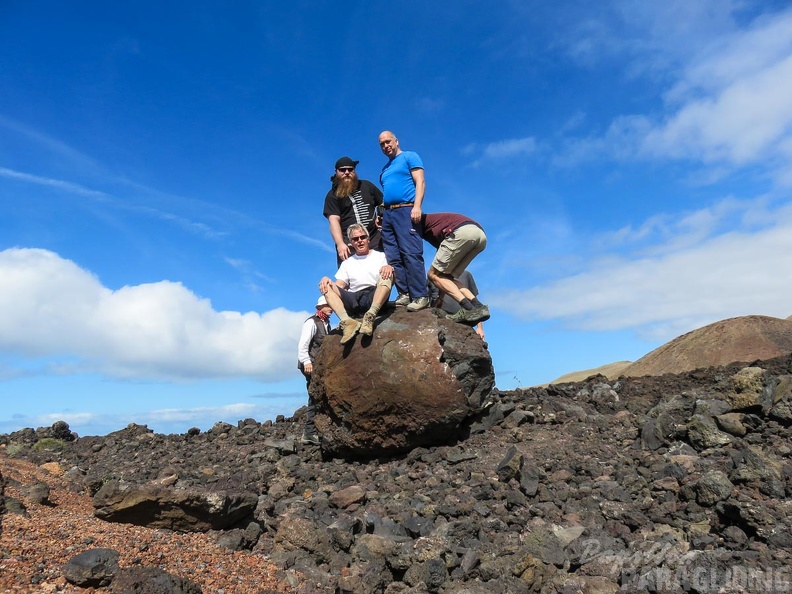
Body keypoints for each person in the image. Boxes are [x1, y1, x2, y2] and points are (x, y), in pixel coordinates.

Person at [378, 130, 429, 312]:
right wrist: (381, 213)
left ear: (396, 141)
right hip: (389, 214)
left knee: (411, 253)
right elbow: (388, 193)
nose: (386, 146)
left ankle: (421, 295)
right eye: (382, 144)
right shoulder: (384, 170)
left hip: (406, 209)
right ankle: (405, 294)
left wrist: (417, 206)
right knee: (393, 256)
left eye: (388, 141)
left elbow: (420, 182)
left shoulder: (409, 157)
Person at [318, 223, 394, 344]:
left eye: (362, 237)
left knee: (389, 271)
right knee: (327, 284)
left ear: (368, 239)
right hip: (354, 299)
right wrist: (327, 281)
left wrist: (389, 266)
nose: (360, 241)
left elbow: (389, 274)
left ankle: (371, 315)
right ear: (351, 242)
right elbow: (340, 285)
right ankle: (347, 322)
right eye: (355, 239)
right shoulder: (347, 263)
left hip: (374, 295)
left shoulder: (381, 256)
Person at [421, 212, 489, 325]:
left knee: (433, 275)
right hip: (480, 236)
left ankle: (468, 309)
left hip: (462, 232)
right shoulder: (435, 223)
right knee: (447, 278)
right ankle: (479, 307)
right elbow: (444, 279)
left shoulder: (415, 221)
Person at [323, 156, 384, 267]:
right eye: (342, 170)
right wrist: (340, 244)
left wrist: (381, 216)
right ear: (336, 172)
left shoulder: (367, 186)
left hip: (374, 239)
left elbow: (382, 203)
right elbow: (334, 221)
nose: (347, 172)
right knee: (350, 280)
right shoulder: (332, 195)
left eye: (350, 169)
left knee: (383, 273)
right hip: (349, 244)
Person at [297, 295, 333, 445]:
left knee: (319, 397)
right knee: (314, 397)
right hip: (310, 366)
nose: (331, 308)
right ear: (320, 308)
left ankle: (313, 431)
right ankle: (309, 433)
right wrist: (306, 362)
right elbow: (302, 345)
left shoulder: (326, 323)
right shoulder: (312, 322)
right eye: (328, 305)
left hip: (317, 367)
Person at [429, 270, 486, 340]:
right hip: (443, 318)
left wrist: (480, 328)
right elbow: (432, 304)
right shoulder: (433, 276)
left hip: (464, 320)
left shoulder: (466, 275)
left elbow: (474, 301)